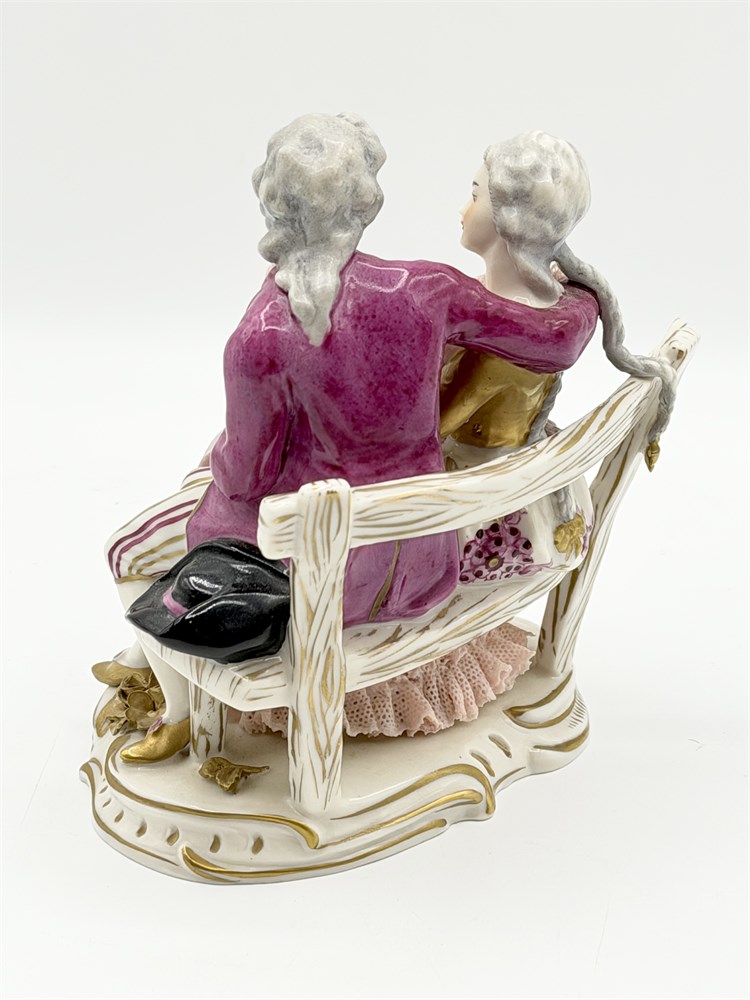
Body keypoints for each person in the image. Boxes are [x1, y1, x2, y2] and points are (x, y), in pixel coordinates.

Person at [101, 114, 601, 762]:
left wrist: (220, 461)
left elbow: (246, 476)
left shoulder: (259, 336)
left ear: (272, 207)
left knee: (127, 549)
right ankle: (144, 671)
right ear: (365, 203)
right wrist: (584, 291)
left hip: (316, 577)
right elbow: (554, 336)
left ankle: (174, 711)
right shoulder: (426, 287)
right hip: (421, 558)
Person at [441, 132, 676, 582]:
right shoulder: (545, 304)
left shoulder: (498, 341)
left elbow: (432, 425)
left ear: (509, 220)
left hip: (486, 504)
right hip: (540, 480)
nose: (462, 209)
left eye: (474, 196)